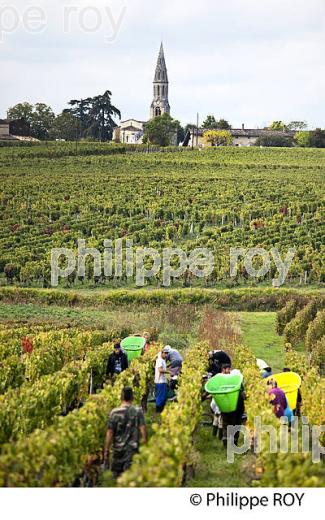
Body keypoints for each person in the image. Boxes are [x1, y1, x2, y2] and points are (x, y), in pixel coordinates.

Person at [103, 387, 147, 479]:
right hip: (133, 452)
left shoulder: (114, 413)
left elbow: (110, 433)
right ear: (132, 398)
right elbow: (143, 430)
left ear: (121, 398)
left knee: (117, 479)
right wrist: (145, 448)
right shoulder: (137, 412)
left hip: (118, 452)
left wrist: (106, 451)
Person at [219, 364, 246, 447]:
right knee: (236, 423)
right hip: (238, 407)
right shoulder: (239, 384)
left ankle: (225, 438)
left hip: (225, 405)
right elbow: (243, 396)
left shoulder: (225, 382)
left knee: (226, 422)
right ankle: (234, 441)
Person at [155, 348, 169, 413]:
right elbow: (160, 370)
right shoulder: (159, 360)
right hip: (160, 381)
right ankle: (158, 410)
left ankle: (161, 410)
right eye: (165, 353)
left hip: (163, 380)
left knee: (163, 396)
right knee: (160, 396)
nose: (166, 355)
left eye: (167, 353)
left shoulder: (162, 360)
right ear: (162, 353)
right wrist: (169, 372)